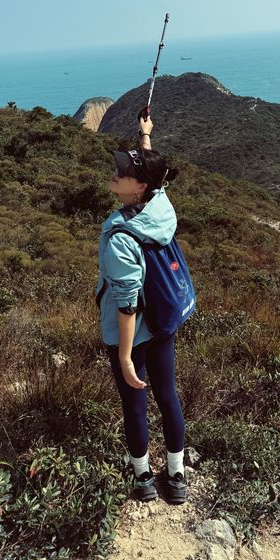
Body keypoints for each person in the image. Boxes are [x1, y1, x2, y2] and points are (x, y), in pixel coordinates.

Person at [95, 111, 187, 505]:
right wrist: (145, 137)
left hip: (135, 331)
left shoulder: (119, 234)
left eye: (123, 170)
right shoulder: (160, 208)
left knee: (135, 404)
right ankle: (178, 474)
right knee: (168, 396)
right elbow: (157, 177)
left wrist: (126, 354)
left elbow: (127, 303)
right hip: (165, 321)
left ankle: (144, 477)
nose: (115, 171)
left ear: (139, 185)